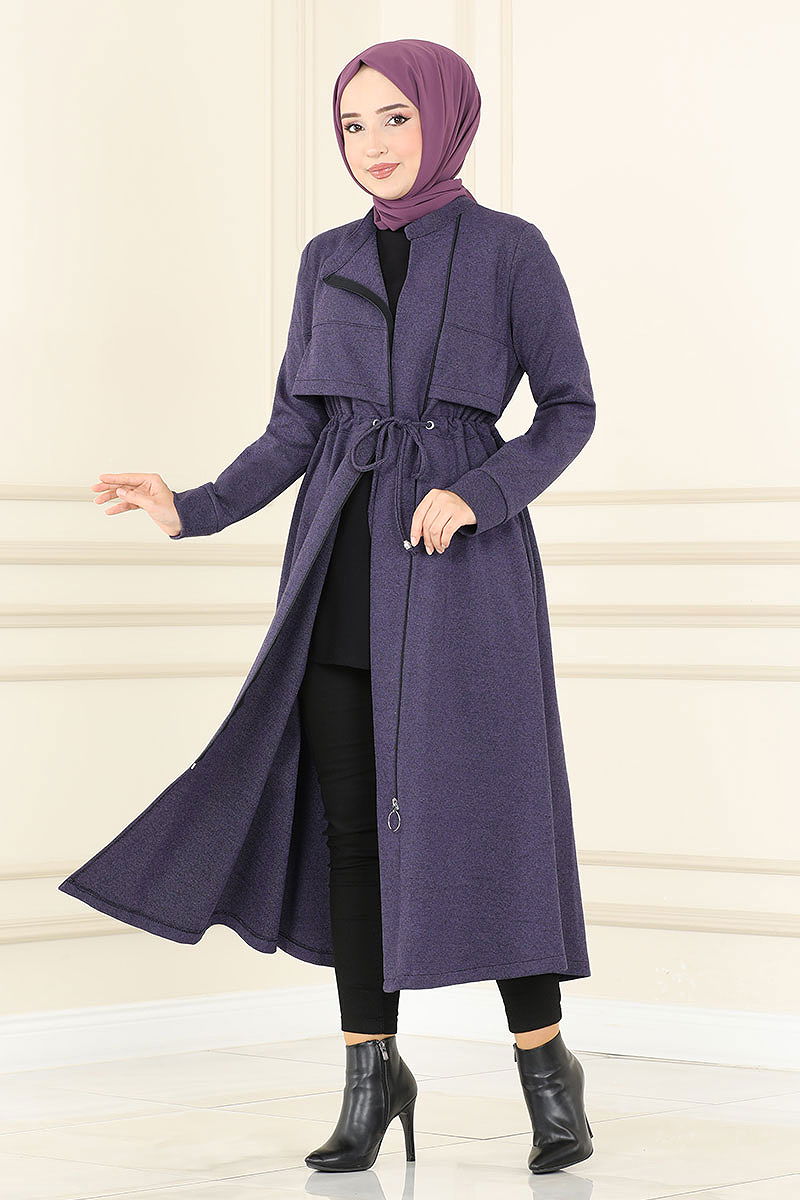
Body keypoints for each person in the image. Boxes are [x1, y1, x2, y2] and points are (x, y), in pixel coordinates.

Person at [85, 38, 595, 1176]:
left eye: (395, 118)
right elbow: (295, 428)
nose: (372, 144)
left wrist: (478, 492)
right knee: (352, 833)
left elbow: (569, 408)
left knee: (492, 813)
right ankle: (372, 1077)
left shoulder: (511, 251)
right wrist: (192, 507)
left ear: (446, 120)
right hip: (339, 574)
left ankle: (545, 1069)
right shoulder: (327, 260)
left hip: (462, 576)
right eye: (353, 124)